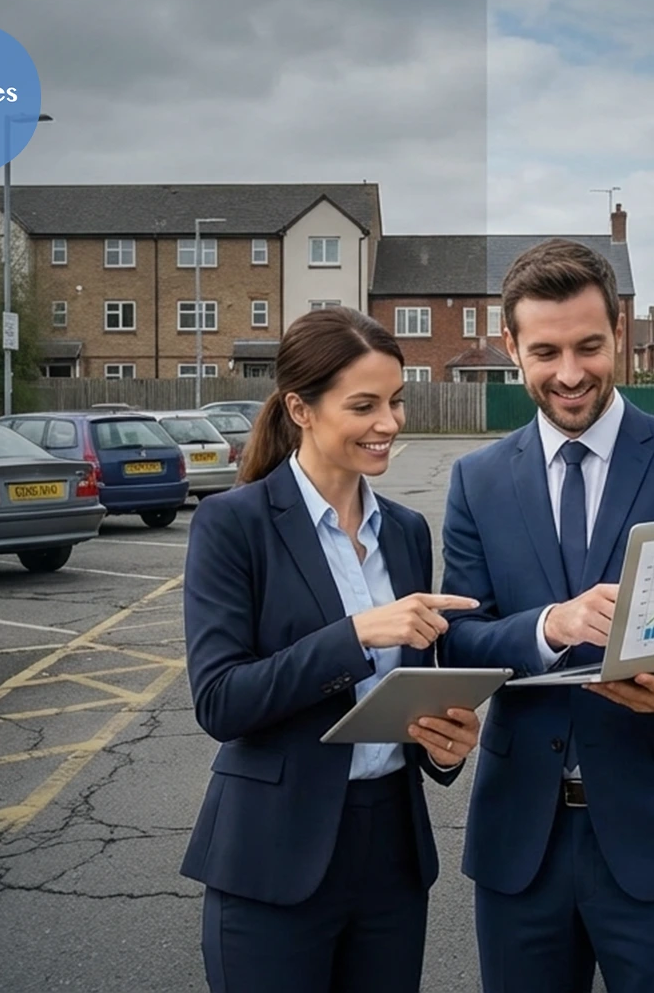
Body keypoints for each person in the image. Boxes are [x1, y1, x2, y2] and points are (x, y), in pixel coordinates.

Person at [440, 240, 654, 992]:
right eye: (546, 351)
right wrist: (549, 625)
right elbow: (459, 640)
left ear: (619, 332)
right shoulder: (476, 480)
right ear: (512, 347)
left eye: (589, 346)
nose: (571, 373)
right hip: (523, 844)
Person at [180, 306, 482, 993]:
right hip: (272, 856)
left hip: (391, 858)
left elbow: (411, 694)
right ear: (301, 408)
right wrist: (356, 634)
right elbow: (221, 702)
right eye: (365, 405)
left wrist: (443, 743)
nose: (390, 423)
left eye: (397, 401)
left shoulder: (406, 532)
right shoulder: (234, 524)